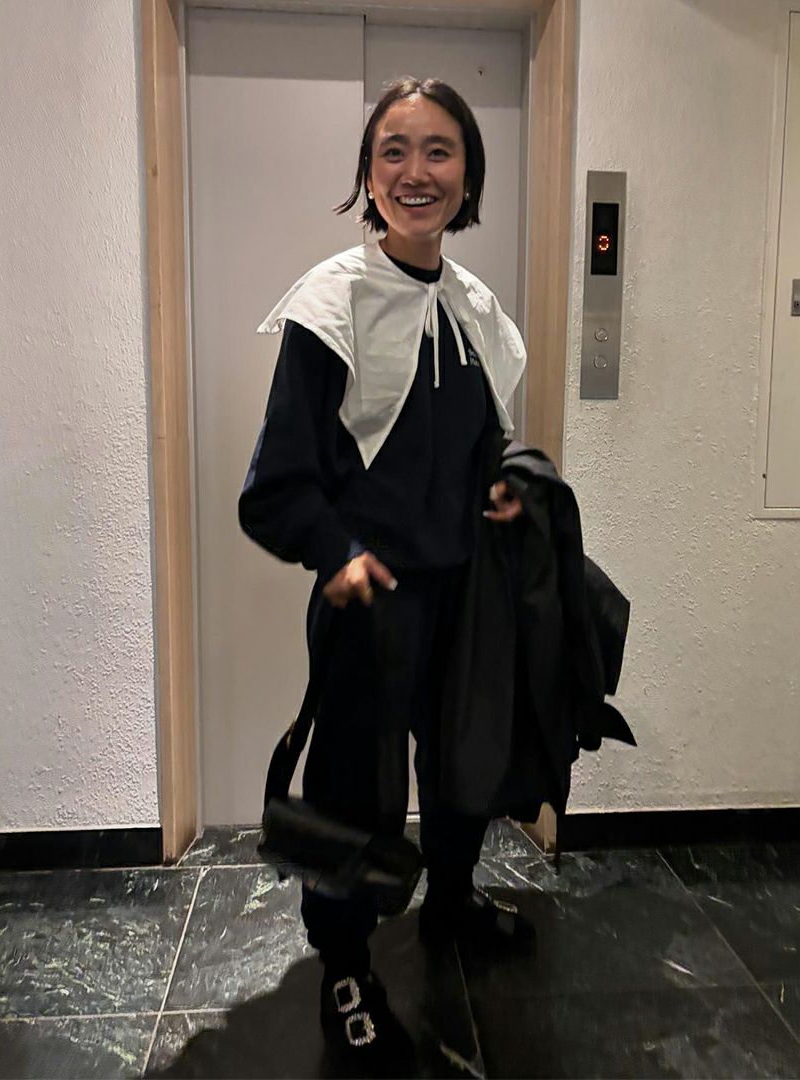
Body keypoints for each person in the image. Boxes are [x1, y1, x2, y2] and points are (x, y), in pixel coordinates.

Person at [239, 76, 528, 1062]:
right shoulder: (333, 306)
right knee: (356, 792)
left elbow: (481, 448)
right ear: (368, 176)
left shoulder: (476, 309)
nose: (416, 171)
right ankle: (346, 962)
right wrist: (336, 554)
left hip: (463, 597)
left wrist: (498, 490)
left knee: (459, 768)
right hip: (371, 603)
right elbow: (277, 485)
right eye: (393, 151)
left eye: (439, 150)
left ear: (467, 176)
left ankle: (451, 903)